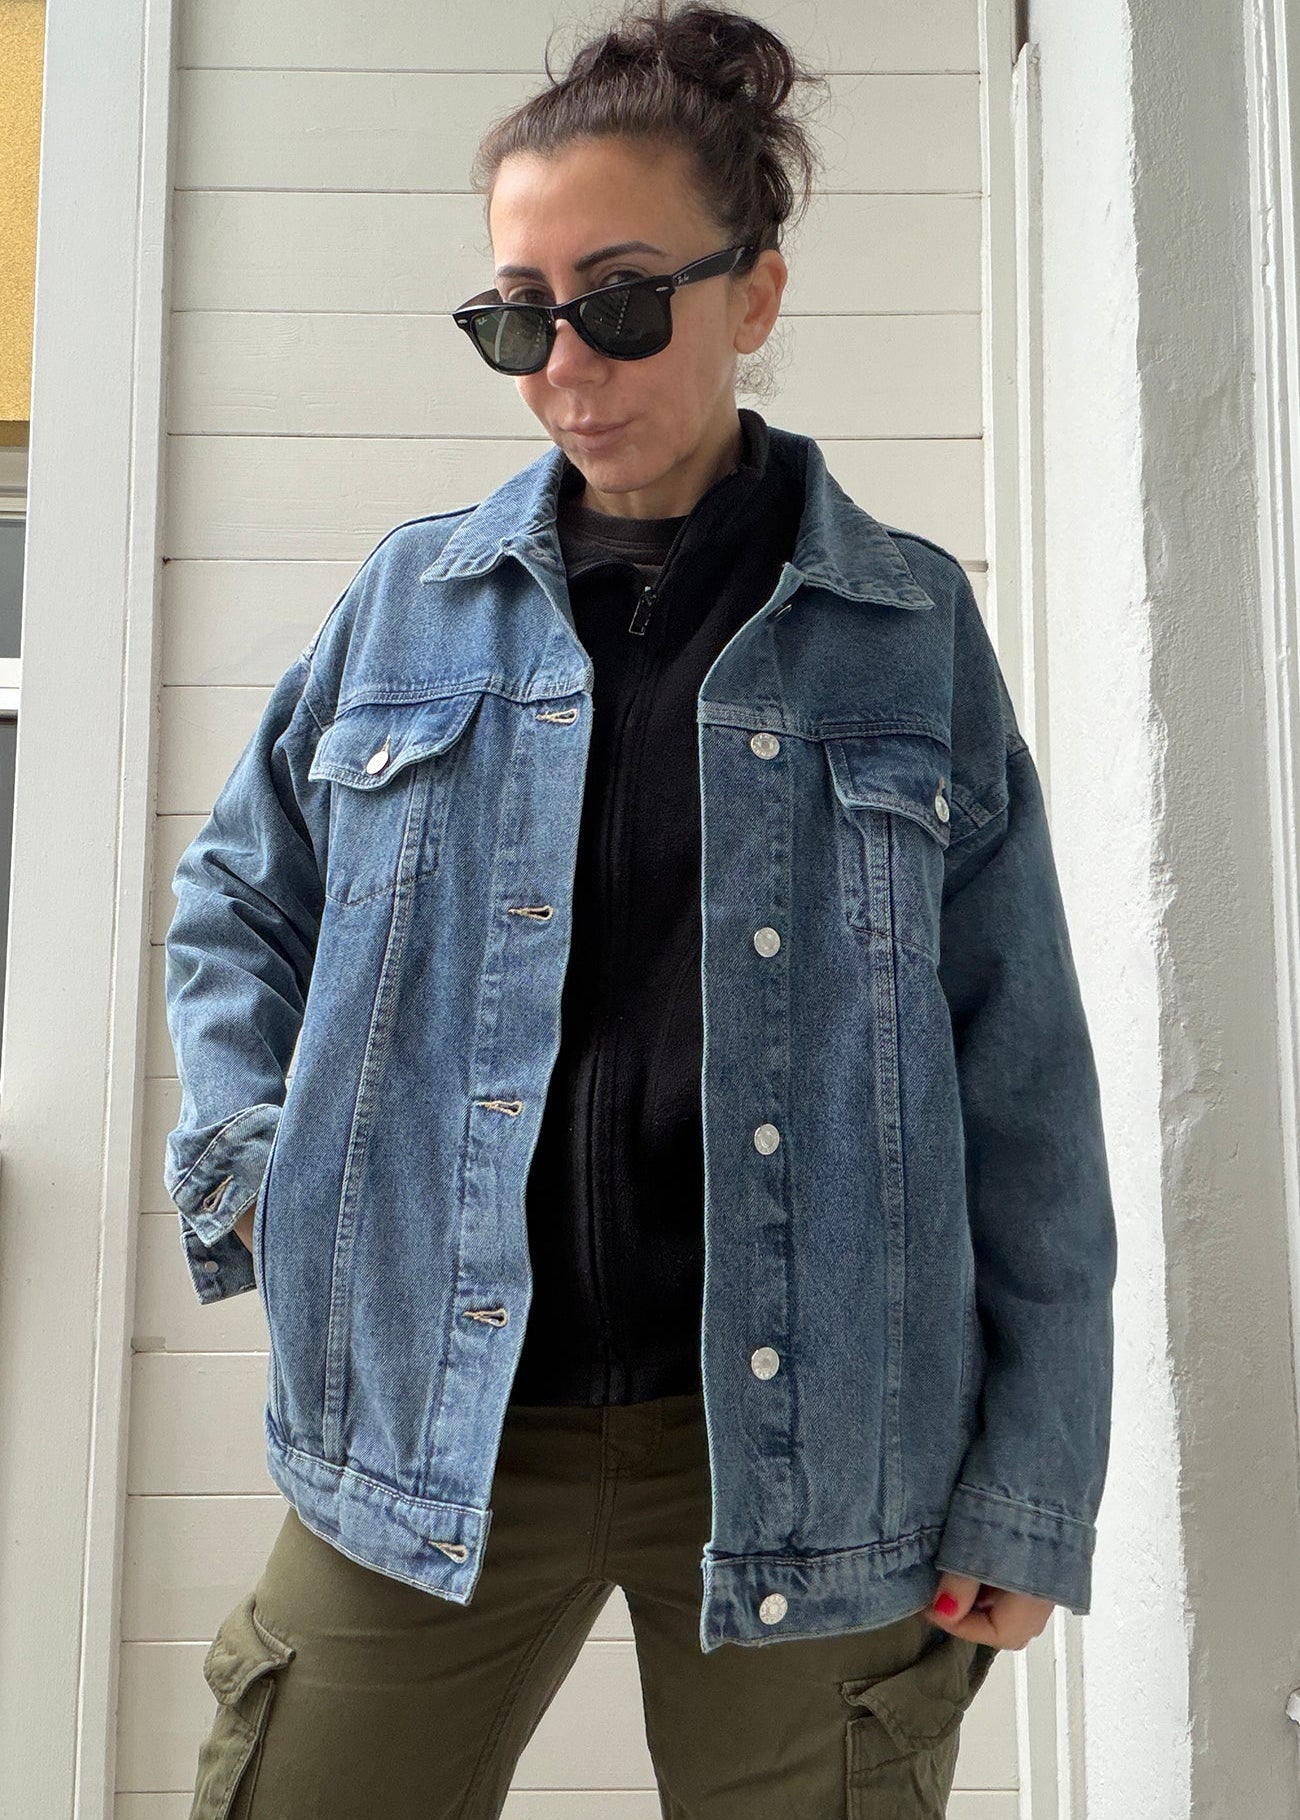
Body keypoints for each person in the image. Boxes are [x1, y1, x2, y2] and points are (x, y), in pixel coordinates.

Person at [165, 4, 1118, 1816]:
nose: (564, 362)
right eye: (516, 312)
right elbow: (235, 901)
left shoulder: (906, 631)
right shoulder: (412, 604)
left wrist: (1032, 1476)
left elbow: (1026, 1075)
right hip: (434, 1421)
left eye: (617, 298)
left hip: (813, 1439)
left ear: (752, 293)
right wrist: (258, 1167)